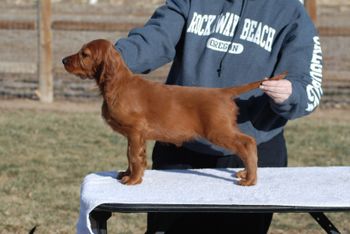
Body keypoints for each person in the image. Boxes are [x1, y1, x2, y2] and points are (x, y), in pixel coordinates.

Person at [114, 0, 323, 233]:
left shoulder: (289, 10)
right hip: (180, 149)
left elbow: (308, 84)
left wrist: (291, 92)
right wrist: (111, 57)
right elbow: (152, 40)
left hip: (252, 150)